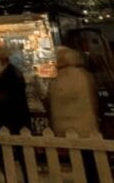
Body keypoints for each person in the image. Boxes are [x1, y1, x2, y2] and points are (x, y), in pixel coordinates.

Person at [47, 46, 99, 181]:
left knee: (80, 160)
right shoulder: (83, 75)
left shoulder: (57, 79)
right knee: (89, 159)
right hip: (85, 126)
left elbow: (51, 101)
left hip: (67, 126)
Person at [0, 47, 30, 181]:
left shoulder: (13, 72)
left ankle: (25, 177)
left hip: (13, 116)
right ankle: (10, 177)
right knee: (0, 150)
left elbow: (15, 94)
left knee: (20, 150)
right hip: (1, 116)